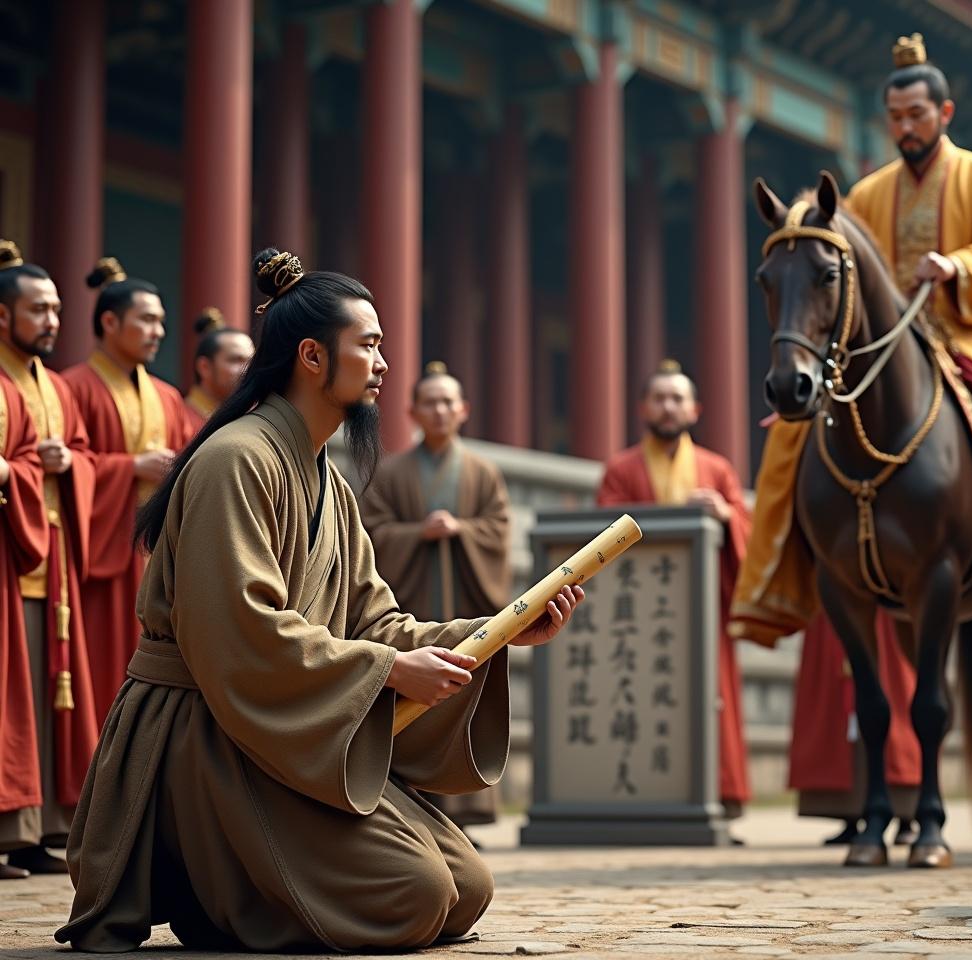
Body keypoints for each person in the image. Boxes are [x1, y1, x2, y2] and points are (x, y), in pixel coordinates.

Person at [56, 248, 584, 951]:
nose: (383, 364)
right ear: (311, 356)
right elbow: (237, 633)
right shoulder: (235, 460)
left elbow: (377, 620)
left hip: (286, 717)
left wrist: (497, 630)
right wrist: (389, 671)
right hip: (214, 730)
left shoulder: (327, 482)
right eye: (368, 345)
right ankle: (216, 888)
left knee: (466, 889)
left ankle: (251, 882)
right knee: (415, 896)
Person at [730, 33, 972, 666]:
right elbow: (837, 271)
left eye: (917, 115)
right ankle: (777, 577)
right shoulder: (866, 195)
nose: (905, 127)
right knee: (789, 436)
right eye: (895, 117)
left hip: (971, 330)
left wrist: (960, 267)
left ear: (944, 115)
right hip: (883, 342)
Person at [597, 360, 753, 817]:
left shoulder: (716, 469)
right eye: (660, 398)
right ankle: (642, 797)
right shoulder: (621, 469)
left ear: (696, 409)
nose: (669, 408)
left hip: (704, 608)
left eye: (677, 398)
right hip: (643, 611)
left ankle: (722, 796)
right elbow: (604, 533)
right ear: (643, 407)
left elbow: (748, 531)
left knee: (714, 698)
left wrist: (726, 515)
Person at [362, 361, 511, 834]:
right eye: (430, 402)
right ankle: (411, 812)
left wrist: (462, 531)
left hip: (464, 605)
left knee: (467, 699)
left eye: (449, 401)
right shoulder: (390, 472)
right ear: (412, 411)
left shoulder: (483, 473)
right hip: (410, 610)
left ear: (463, 410)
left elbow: (499, 530)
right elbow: (370, 533)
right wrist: (417, 534)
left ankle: (468, 813)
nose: (440, 410)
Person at [0, 242, 98, 877]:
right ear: (4, 316)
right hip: (12, 548)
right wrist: (25, 470)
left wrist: (73, 467)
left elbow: (81, 457)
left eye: (57, 309)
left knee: (46, 687)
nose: (53, 321)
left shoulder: (59, 388)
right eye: (38, 310)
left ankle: (41, 827)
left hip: (52, 553)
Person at [62, 258, 193, 727]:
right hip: (101, 551)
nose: (158, 331)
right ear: (110, 321)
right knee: (97, 667)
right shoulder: (73, 388)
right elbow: (68, 465)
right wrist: (130, 467)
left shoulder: (168, 396)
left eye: (161, 320)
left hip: (154, 554)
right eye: (147, 319)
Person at [789, 611, 920, 846]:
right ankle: (850, 813)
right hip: (835, 605)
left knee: (898, 694)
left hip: (889, 603)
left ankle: (906, 813)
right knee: (836, 707)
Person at [0, 362, 51, 879]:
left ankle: (20, 832)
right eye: (39, 309)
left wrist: (10, 473)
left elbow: (27, 461)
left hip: (18, 547)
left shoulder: (14, 392)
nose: (52, 322)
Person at [183, 306, 254, 431]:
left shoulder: (247, 416)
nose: (247, 369)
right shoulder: (180, 418)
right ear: (204, 367)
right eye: (236, 360)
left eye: (251, 361)